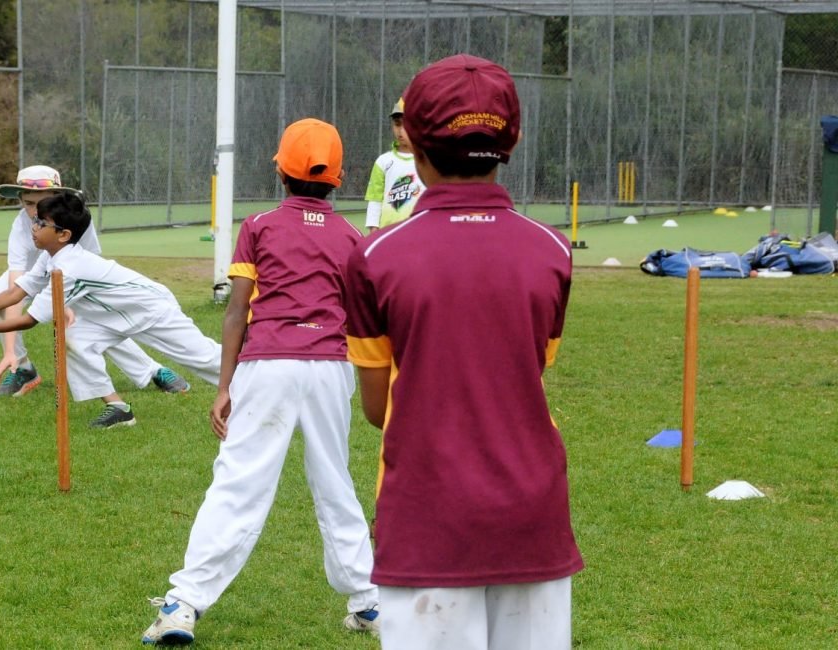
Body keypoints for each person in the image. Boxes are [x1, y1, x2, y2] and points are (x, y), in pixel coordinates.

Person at [342, 54, 582, 650]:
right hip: (532, 513)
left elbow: (377, 408)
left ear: (415, 144)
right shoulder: (551, 250)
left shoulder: (374, 258)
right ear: (511, 142)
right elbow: (528, 371)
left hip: (426, 515)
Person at [141, 118, 379, 646]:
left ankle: (183, 604)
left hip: (268, 364)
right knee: (335, 482)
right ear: (338, 178)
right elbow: (360, 314)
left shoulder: (260, 225)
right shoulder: (351, 236)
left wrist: (224, 386)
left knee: (238, 483)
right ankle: (369, 602)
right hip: (330, 367)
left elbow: (236, 313)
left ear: (281, 172)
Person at [0, 192, 220, 429]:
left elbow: (29, 320)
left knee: (204, 359)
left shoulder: (69, 268)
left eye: (41, 223)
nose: (34, 227)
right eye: (35, 220)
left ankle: (244, 380)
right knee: (74, 339)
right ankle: (118, 409)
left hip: (151, 310)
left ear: (63, 235)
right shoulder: (50, 257)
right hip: (111, 316)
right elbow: (17, 292)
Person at [0, 165, 189, 398]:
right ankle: (22, 368)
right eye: (28, 203)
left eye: (42, 203)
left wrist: (65, 302)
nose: (34, 212)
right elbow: (15, 286)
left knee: (92, 319)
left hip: (74, 273)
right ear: (20, 200)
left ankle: (153, 371)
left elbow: (88, 265)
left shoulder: (77, 218)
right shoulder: (20, 225)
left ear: (57, 198)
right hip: (34, 273)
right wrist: (9, 350)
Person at [363, 97, 424, 233]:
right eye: (397, 124)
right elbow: (375, 199)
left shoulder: (427, 161)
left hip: (420, 233)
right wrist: (374, 229)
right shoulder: (383, 161)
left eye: (407, 125)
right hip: (388, 233)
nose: (401, 130)